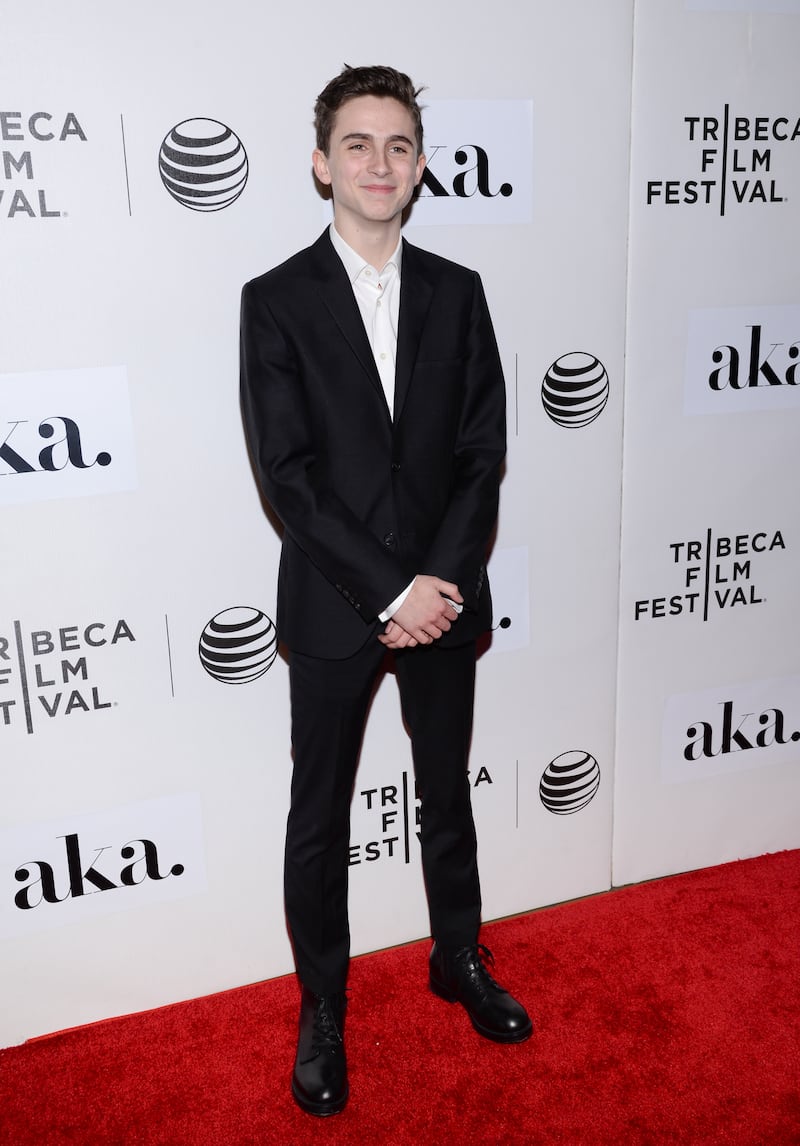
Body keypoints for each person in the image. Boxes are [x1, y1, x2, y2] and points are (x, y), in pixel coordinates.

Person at [240, 64, 531, 1118]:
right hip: (335, 603)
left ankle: (456, 957)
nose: (378, 162)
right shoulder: (274, 301)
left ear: (419, 167)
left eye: (398, 145)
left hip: (444, 599)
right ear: (322, 165)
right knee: (316, 816)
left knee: (445, 788)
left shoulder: (458, 292)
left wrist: (437, 582)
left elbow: (478, 453)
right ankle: (322, 1008)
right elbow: (291, 480)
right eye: (356, 144)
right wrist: (389, 590)